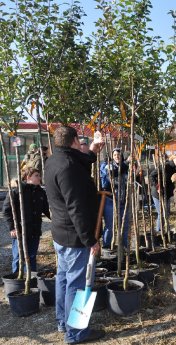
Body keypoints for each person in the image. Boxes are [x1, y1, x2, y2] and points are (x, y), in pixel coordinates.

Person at [44, 125, 105, 343]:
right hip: (75, 236)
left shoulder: (53, 160)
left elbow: (80, 161)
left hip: (60, 234)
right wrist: (90, 240)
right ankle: (77, 332)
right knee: (78, 284)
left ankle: (63, 322)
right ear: (74, 140)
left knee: (63, 278)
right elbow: (76, 208)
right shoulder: (69, 167)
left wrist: (93, 150)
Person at [3, 167, 50, 273]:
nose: (39, 178)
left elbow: (47, 210)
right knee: (19, 257)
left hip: (35, 231)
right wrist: (12, 228)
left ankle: (31, 280)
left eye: (39, 175)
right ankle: (17, 279)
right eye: (36, 176)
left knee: (32, 257)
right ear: (28, 177)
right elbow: (6, 211)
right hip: (20, 231)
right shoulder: (17, 191)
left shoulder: (40, 192)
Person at [100, 148, 130, 248]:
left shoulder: (126, 167)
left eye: (119, 154)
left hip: (123, 201)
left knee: (125, 226)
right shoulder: (108, 166)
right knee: (110, 226)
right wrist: (126, 163)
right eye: (115, 155)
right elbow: (113, 174)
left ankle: (124, 246)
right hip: (111, 200)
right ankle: (107, 246)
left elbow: (129, 180)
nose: (117, 156)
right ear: (112, 157)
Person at [150, 153, 176, 233]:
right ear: (173, 159)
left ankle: (164, 230)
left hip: (167, 194)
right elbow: (152, 175)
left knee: (167, 213)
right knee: (161, 213)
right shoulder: (165, 165)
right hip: (158, 193)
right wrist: (158, 186)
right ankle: (159, 231)